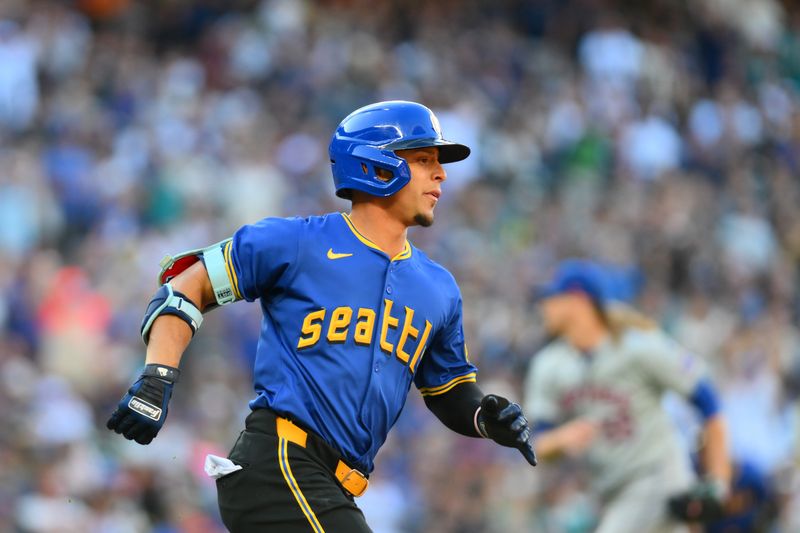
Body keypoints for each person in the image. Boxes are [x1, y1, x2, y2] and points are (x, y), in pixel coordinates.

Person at [106, 101, 537, 532]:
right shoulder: (297, 243)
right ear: (377, 165)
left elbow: (449, 390)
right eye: (424, 160)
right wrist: (157, 375)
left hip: (336, 487)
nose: (441, 173)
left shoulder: (438, 287)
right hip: (278, 465)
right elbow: (186, 287)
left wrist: (483, 417)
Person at [523, 259, 731, 533]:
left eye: (552, 298)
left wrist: (719, 480)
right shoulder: (548, 365)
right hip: (612, 493)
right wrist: (562, 439)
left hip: (659, 477)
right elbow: (537, 443)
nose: (544, 306)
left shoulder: (639, 346)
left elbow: (708, 401)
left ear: (578, 300)